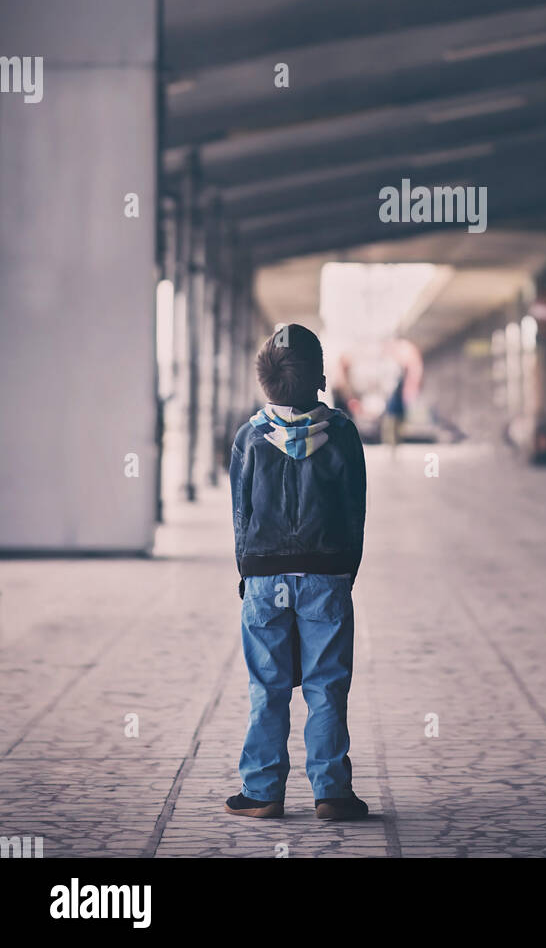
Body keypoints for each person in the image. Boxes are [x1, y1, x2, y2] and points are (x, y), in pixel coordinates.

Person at [225, 324, 368, 821]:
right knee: (326, 684)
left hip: (264, 578)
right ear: (320, 378)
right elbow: (355, 511)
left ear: (266, 383)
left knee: (267, 685)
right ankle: (332, 793)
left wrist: (249, 572)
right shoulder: (343, 434)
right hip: (326, 576)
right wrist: (344, 572)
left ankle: (263, 791)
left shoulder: (250, 437)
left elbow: (241, 515)